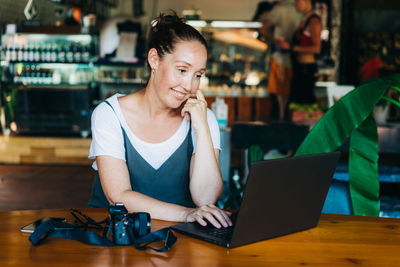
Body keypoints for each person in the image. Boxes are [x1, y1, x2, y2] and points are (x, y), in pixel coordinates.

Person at [87, 12, 231, 229]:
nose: (190, 86)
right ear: (154, 60)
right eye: (182, 70)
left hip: (179, 243)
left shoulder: (203, 117)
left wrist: (202, 129)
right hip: (114, 238)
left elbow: (206, 199)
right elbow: (118, 195)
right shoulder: (109, 114)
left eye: (198, 75)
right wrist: (186, 214)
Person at [257, 0, 302, 121]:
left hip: (281, 57)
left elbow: (263, 30)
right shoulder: (301, 10)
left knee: (280, 95)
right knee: (288, 95)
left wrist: (274, 41)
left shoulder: (280, 9)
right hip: (298, 58)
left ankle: (281, 120)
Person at [277, 0, 322, 105]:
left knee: (303, 103)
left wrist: (291, 47)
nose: (295, 4)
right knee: (295, 102)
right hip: (299, 67)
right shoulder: (304, 20)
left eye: (298, 1)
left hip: (307, 69)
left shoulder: (314, 20)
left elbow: (316, 48)